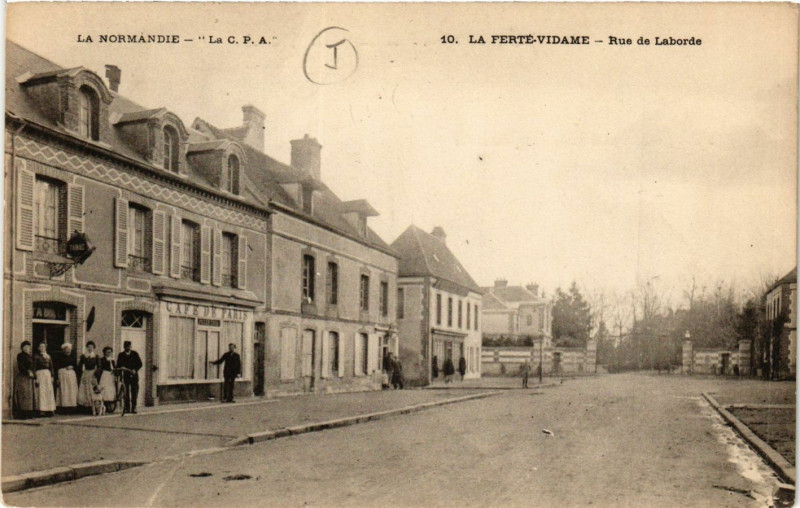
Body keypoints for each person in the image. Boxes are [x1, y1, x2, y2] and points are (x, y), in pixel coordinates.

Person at [117, 341, 143, 414]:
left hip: (133, 376)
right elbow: (118, 364)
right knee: (126, 392)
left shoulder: (135, 354)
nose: (127, 348)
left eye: (128, 346)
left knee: (134, 392)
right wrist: (121, 367)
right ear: (124, 347)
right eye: (126, 346)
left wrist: (135, 369)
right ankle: (127, 407)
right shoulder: (121, 355)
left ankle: (134, 407)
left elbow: (140, 364)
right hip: (125, 375)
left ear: (131, 347)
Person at [33, 342, 56, 417]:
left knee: (48, 392)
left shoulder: (48, 356)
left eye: (43, 346)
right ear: (38, 348)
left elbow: (51, 367)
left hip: (47, 375)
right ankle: (41, 410)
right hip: (40, 374)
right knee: (41, 392)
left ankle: (49, 409)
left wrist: (52, 376)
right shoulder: (36, 356)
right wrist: (35, 377)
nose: (42, 348)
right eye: (41, 346)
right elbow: (34, 367)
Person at [14, 341, 36, 419]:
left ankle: (29, 413)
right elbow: (21, 366)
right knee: (23, 394)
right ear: (22, 348)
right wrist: (27, 372)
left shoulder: (29, 356)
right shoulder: (20, 355)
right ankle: (22, 414)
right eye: (25, 347)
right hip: (23, 377)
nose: (27, 348)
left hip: (29, 377)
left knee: (29, 396)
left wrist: (33, 373)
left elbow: (33, 366)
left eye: (28, 347)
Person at [54, 343, 78, 412]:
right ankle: (63, 407)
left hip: (71, 376)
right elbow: (56, 367)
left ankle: (71, 407)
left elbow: (76, 366)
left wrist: (72, 367)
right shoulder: (59, 357)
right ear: (63, 350)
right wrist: (57, 378)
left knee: (71, 390)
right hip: (62, 375)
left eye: (69, 349)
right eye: (66, 349)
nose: (67, 350)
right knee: (64, 390)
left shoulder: (73, 357)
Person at [77, 341, 100, 411]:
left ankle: (92, 406)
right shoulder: (84, 356)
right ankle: (85, 407)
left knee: (92, 389)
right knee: (84, 389)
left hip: (93, 373)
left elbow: (99, 366)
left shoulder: (96, 356)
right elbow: (80, 366)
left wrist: (96, 374)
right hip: (86, 373)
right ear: (86, 348)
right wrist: (80, 374)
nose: (90, 348)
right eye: (88, 347)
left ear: (94, 348)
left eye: (91, 347)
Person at [96, 347, 117, 411]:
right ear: (104, 352)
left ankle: (109, 404)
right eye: (108, 352)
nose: (109, 353)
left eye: (110, 352)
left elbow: (114, 368)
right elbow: (101, 367)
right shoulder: (102, 359)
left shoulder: (112, 360)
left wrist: (115, 374)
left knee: (110, 389)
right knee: (104, 388)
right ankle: (103, 404)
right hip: (105, 375)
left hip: (111, 375)